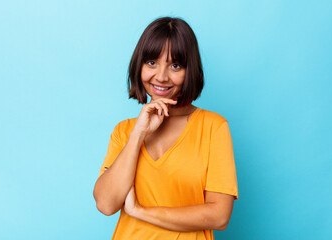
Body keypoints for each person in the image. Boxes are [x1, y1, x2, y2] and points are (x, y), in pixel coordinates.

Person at [93, 16, 238, 240]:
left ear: (190, 70)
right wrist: (138, 134)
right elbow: (105, 204)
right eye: (151, 63)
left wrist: (140, 212)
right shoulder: (124, 131)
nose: (161, 76)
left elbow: (219, 216)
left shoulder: (213, 127)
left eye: (175, 65)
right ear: (139, 65)